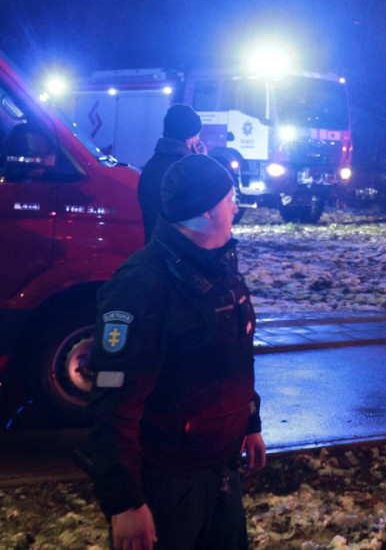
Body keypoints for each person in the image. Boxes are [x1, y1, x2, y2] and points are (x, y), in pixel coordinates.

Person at [85, 154, 265, 550]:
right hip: (166, 486)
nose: (236, 206)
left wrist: (249, 422)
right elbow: (113, 403)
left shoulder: (220, 268)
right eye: (229, 197)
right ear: (205, 210)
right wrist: (126, 503)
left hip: (220, 474)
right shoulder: (143, 285)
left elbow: (236, 357)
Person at [137, 104, 207, 243]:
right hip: (177, 252)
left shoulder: (153, 164)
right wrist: (202, 161)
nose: (199, 139)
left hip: (156, 248)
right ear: (189, 137)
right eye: (197, 134)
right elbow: (204, 204)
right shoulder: (182, 169)